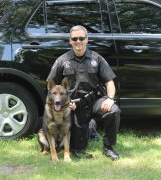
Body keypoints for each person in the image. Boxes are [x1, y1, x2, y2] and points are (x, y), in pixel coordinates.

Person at [46, 25, 121, 160]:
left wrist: (110, 98)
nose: (78, 41)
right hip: (73, 107)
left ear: (87, 40)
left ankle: (108, 147)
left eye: (81, 38)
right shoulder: (62, 60)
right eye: (74, 38)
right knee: (78, 147)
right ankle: (90, 129)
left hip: (94, 102)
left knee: (113, 110)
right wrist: (63, 104)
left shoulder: (96, 58)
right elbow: (51, 86)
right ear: (70, 41)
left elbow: (109, 81)